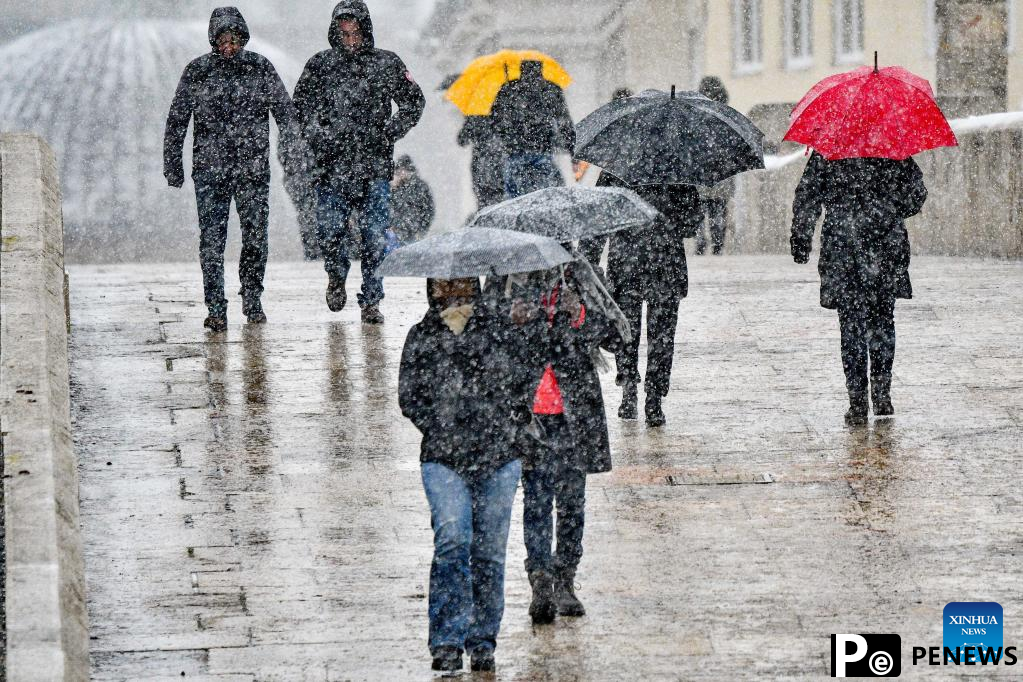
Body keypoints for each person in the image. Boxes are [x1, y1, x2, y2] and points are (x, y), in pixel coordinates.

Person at [399, 278, 541, 673]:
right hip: (444, 458)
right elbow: (408, 396)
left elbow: (523, 383)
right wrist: (442, 424)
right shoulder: (422, 336)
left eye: (462, 286)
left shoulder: (498, 331)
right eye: (445, 287)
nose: (455, 295)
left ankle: (482, 640)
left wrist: (502, 424)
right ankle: (446, 640)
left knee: (489, 552)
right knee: (452, 540)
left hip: (497, 457)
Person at [293, 0, 425, 324]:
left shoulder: (386, 63)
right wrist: (318, 135)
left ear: (365, 31)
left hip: (374, 168)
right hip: (332, 167)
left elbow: (414, 101)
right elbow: (299, 108)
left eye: (355, 33)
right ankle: (336, 275)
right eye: (345, 34)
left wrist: (390, 132)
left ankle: (371, 300)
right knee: (330, 232)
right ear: (336, 33)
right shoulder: (320, 65)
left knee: (374, 236)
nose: (351, 40)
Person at [164, 7, 294, 331]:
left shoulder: (260, 68)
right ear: (213, 41)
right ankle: (216, 308)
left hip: (252, 170)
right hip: (210, 171)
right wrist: (173, 165)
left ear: (242, 38)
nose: (228, 47)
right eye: (222, 40)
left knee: (255, 239)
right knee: (211, 242)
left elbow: (286, 114)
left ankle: (252, 297)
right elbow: (177, 120)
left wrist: (290, 154)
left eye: (233, 39)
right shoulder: (197, 72)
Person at [791, 152, 927, 425]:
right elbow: (917, 193)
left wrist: (801, 237)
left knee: (851, 324)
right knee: (882, 320)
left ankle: (857, 401)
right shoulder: (892, 150)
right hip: (885, 242)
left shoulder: (829, 150)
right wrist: (888, 207)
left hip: (844, 246)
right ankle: (881, 392)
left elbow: (807, 196)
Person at [521, 267, 620, 625]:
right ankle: (540, 580)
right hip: (530, 414)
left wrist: (578, 313)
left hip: (574, 413)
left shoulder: (582, 276)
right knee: (536, 502)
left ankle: (565, 578)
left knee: (571, 503)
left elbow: (612, 331)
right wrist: (522, 320)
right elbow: (494, 335)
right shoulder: (515, 277)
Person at [580, 175, 702, 426]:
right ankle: (654, 400)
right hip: (665, 265)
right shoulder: (678, 170)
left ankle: (629, 391)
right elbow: (691, 225)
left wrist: (587, 260)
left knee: (627, 331)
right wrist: (666, 221)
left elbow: (599, 220)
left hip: (627, 264)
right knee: (662, 336)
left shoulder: (617, 170)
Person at [490, 60, 575, 199]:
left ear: (521, 69)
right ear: (540, 69)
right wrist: (571, 147)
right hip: (543, 151)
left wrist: (508, 137)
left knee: (514, 201)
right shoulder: (550, 89)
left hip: (515, 153)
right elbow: (564, 122)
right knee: (548, 197)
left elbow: (495, 123)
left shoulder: (508, 89)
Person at [694, 77, 735, 256]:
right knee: (718, 210)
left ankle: (701, 241)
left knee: (701, 210)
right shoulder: (727, 118)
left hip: (701, 174)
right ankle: (717, 244)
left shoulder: (696, 116)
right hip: (722, 174)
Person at [457, 115, 506, 210]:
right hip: (498, 160)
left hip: (480, 161)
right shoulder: (503, 112)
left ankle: (485, 216)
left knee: (483, 195)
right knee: (499, 195)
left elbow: (462, 141)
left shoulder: (476, 113)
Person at [390, 155, 435, 244]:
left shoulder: (420, 187)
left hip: (413, 232)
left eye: (401, 170)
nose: (399, 173)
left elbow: (429, 210)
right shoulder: (397, 188)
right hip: (399, 232)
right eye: (398, 171)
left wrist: (422, 229)